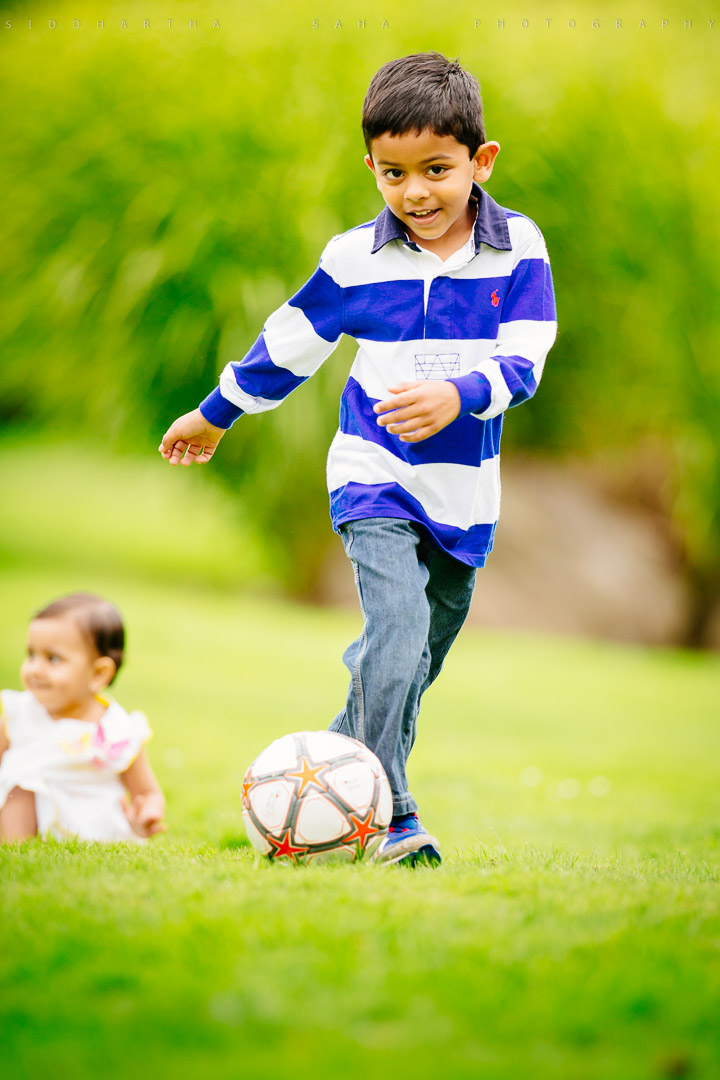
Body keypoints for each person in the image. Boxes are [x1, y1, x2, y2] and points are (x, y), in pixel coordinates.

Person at [159, 52, 557, 865]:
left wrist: (464, 393)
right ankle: (395, 816)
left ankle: (314, 781)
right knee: (397, 628)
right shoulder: (354, 258)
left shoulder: (518, 247)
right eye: (393, 174)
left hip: (465, 493)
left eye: (437, 170)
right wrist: (216, 412)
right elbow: (291, 341)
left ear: (481, 161)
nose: (415, 193)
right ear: (370, 168)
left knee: (416, 655)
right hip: (373, 474)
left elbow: (530, 354)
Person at [0, 592, 166, 843]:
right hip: (24, 821)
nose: (35, 668)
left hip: (94, 832)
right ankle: (14, 849)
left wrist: (147, 812)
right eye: (31, 654)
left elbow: (148, 791)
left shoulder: (116, 731)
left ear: (98, 674)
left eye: (52, 659)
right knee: (20, 784)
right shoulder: (19, 714)